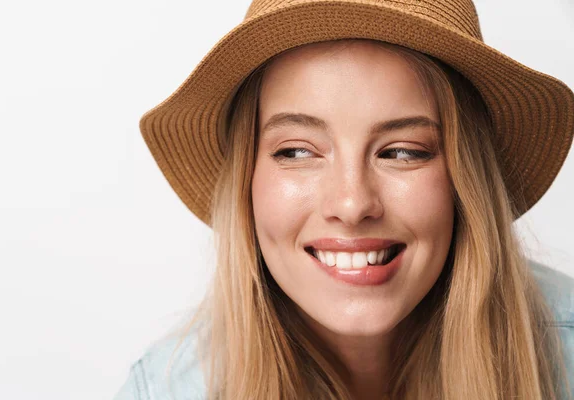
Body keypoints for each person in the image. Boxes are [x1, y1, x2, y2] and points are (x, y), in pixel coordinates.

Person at [115, 0, 574, 399]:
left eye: (402, 152)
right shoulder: (166, 391)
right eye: (297, 151)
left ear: (465, 182)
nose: (352, 205)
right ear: (246, 182)